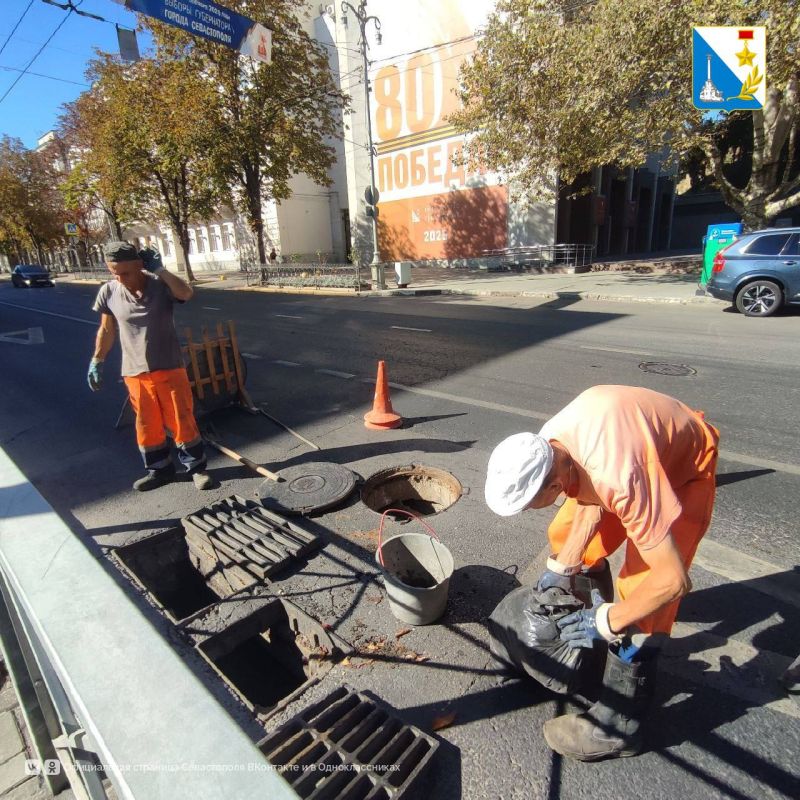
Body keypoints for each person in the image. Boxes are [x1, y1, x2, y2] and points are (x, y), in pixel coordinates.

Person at [485, 385, 719, 761]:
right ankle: (590, 656)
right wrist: (562, 569)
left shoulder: (621, 478)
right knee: (564, 537)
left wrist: (607, 620)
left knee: (643, 593)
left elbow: (674, 580)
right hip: (630, 453)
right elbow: (590, 499)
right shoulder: (551, 442)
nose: (532, 510)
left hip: (682, 471)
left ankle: (620, 727)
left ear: (555, 485)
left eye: (531, 505)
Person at [87, 241, 214, 492]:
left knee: (182, 420)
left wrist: (161, 270)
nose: (120, 278)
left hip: (169, 367)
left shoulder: (159, 285)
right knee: (147, 425)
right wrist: (97, 359)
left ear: (139, 265)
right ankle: (159, 471)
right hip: (134, 372)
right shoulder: (109, 292)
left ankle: (196, 469)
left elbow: (186, 293)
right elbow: (107, 329)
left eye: (126, 272)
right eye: (114, 273)